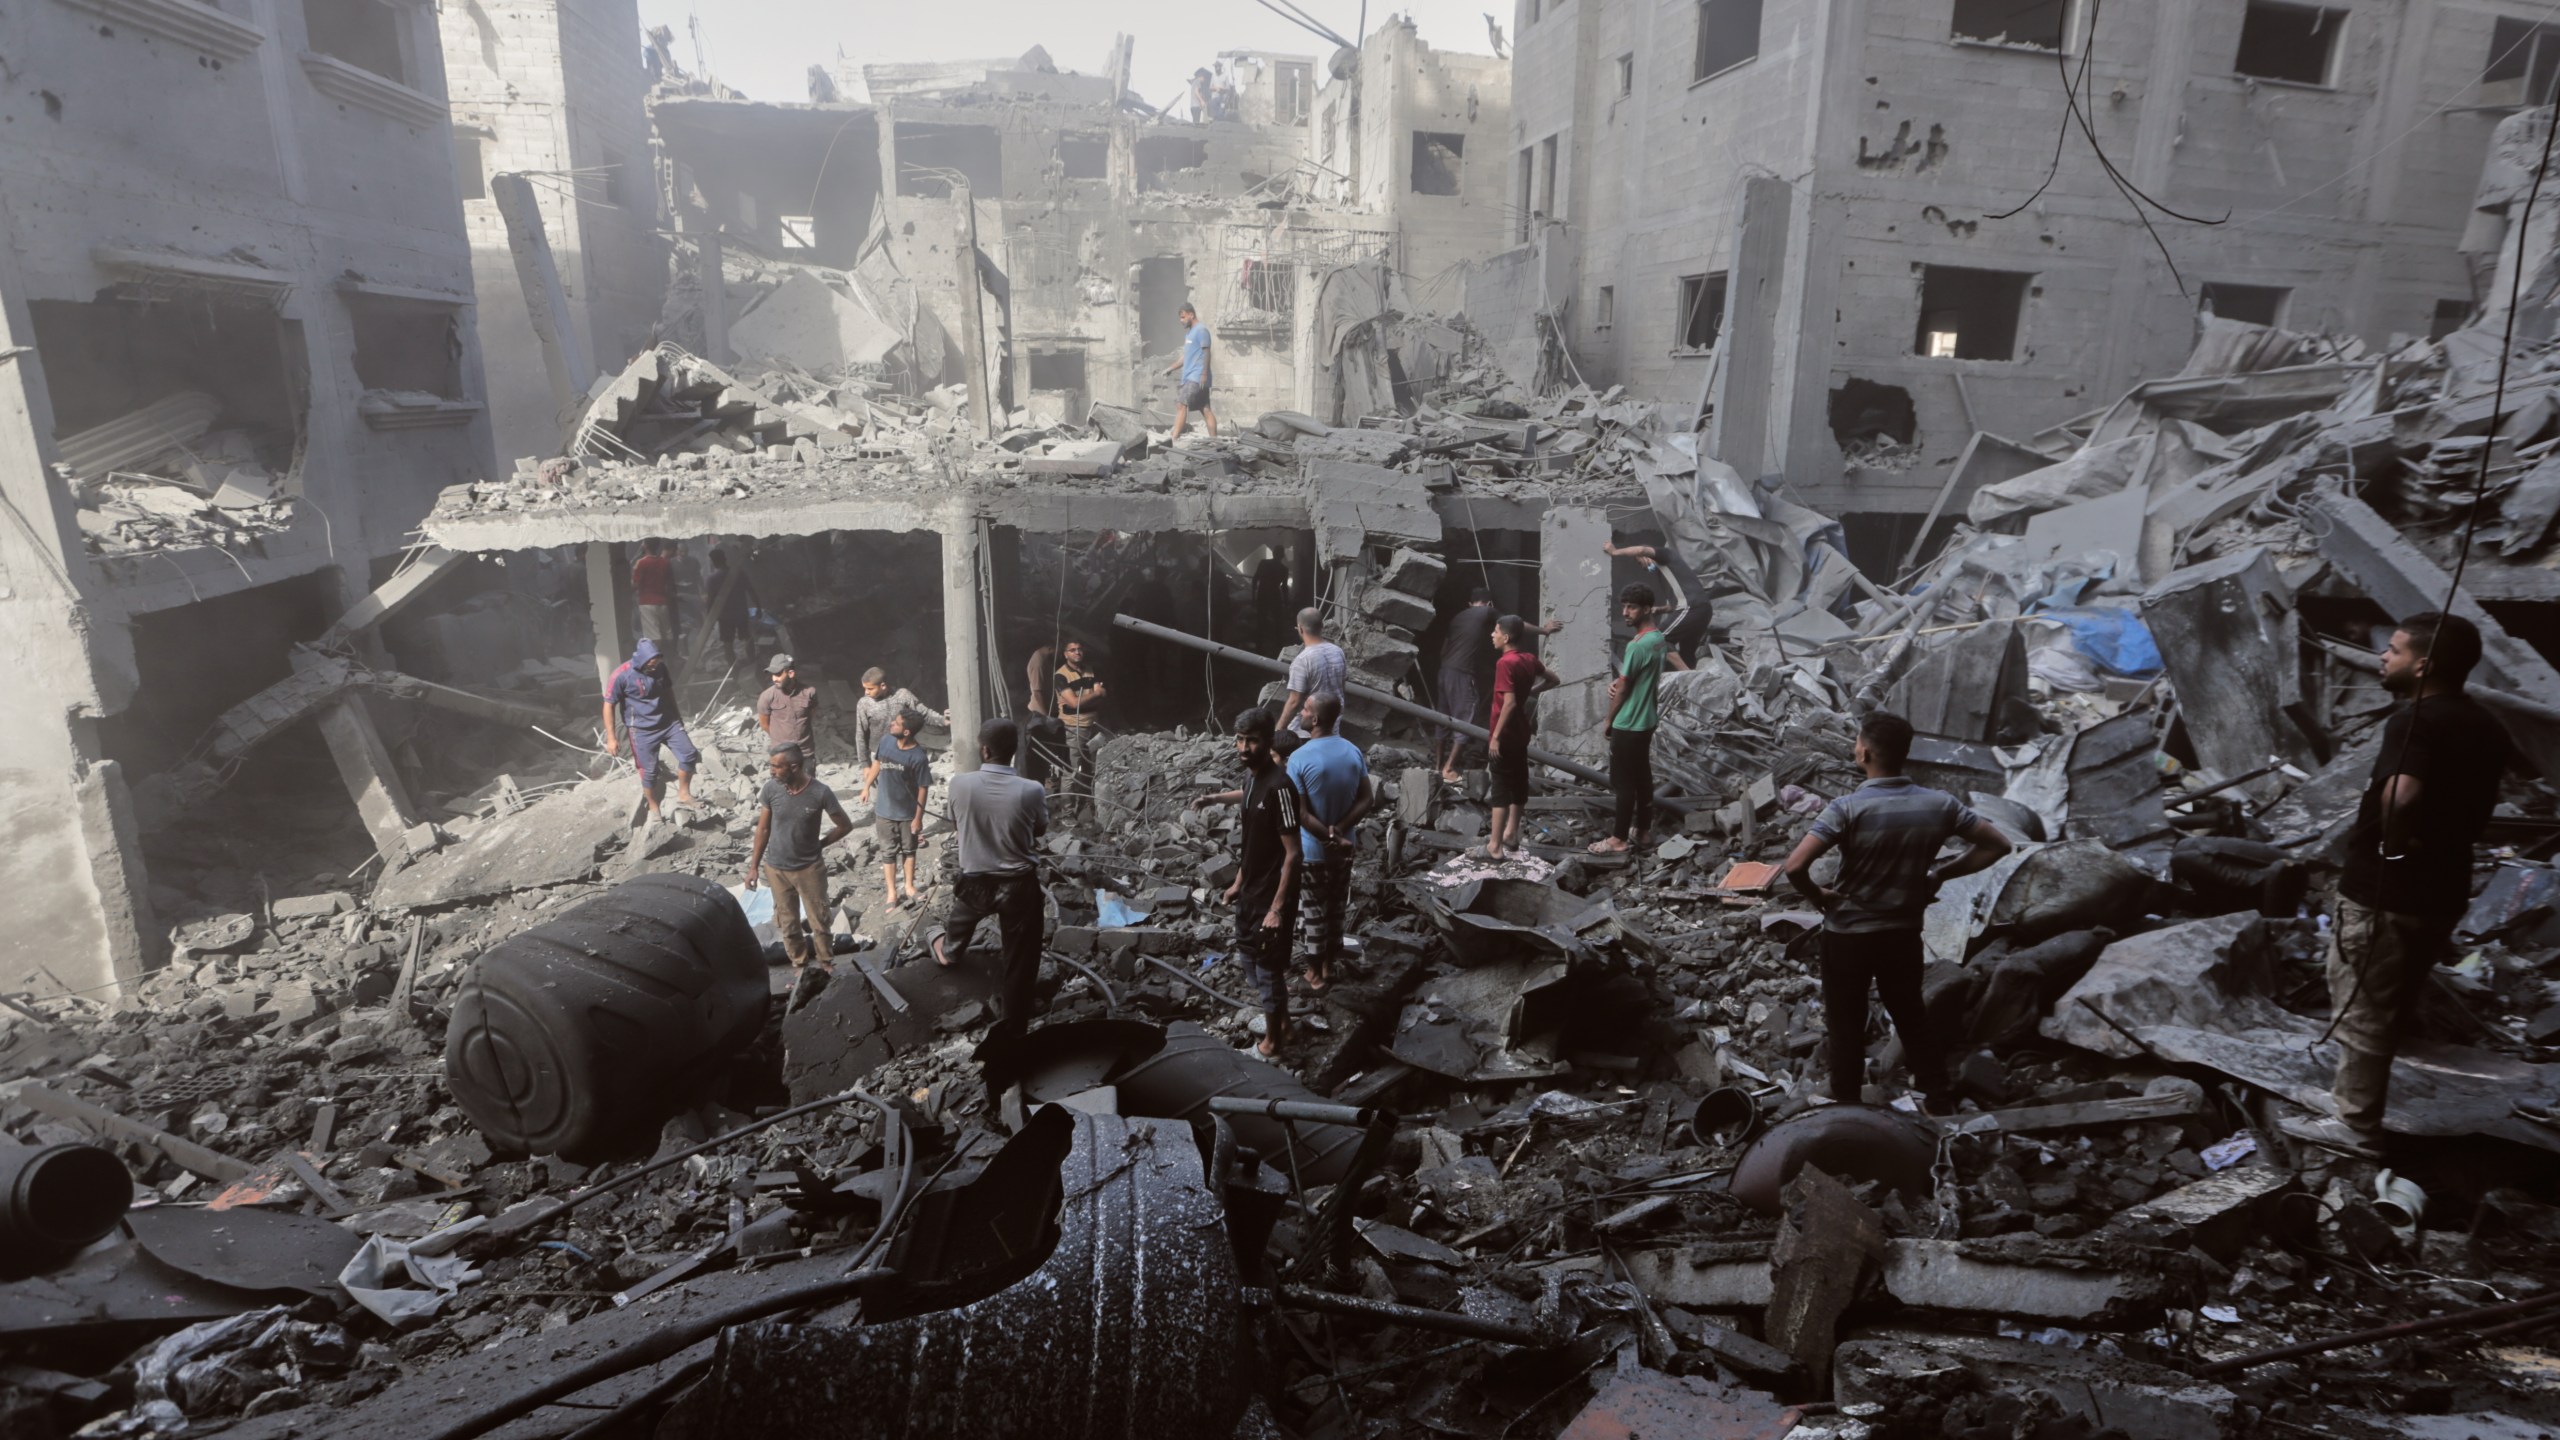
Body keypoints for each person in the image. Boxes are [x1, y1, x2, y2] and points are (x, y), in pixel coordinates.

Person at [2290, 613, 2508, 1153]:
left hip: (2389, 888)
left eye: (2393, 650)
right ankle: (2351, 1100)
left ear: (2423, 664)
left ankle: (2357, 1126)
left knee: (2364, 1001)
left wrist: (2393, 843)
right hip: (2444, 888)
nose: (2384, 658)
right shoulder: (2488, 724)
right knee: (2392, 997)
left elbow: (2402, 796)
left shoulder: (2415, 722)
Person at [1781, 711, 2012, 1110]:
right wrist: (1942, 873)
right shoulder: (1939, 804)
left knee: (1845, 1023)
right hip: (1901, 933)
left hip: (1848, 934)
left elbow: (1794, 867)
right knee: (1909, 1014)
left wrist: (1818, 896)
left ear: (1864, 753)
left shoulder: (1846, 808)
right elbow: (1998, 845)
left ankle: (1849, 1107)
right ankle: (1938, 1098)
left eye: (1857, 742)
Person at [931, 720, 1050, 1050]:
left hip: (975, 885)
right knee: (1020, 962)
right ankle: (1016, 1031)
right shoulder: (1032, 790)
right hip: (1018, 888)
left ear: (984, 750)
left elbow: (957, 823)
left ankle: (950, 950)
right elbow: (1039, 830)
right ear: (1015, 751)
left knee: (955, 932)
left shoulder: (960, 784)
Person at [1192, 707, 1302, 1057]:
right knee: (1251, 963)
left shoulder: (1281, 788)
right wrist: (1239, 880)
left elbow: (1293, 854)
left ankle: (1273, 1042)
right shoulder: (1252, 779)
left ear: (1267, 742)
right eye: (1239, 739)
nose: (1242, 747)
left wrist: (1277, 909)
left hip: (1270, 898)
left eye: (1251, 741)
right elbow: (1253, 842)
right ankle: (1282, 1022)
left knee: (1268, 971)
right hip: (1250, 892)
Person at [1285, 694, 1374, 996]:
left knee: (1313, 913)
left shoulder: (1299, 758)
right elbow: (1367, 799)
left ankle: (1313, 976)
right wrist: (1341, 833)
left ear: (1316, 720)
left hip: (1313, 852)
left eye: (1306, 708)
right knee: (1336, 908)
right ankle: (1328, 966)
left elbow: (1301, 813)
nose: (1301, 711)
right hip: (1345, 849)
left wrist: (1326, 837)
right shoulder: (1352, 751)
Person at [744, 745, 854, 973]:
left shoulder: (820, 793)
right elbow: (763, 830)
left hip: (809, 869)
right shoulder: (771, 789)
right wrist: (753, 867)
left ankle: (826, 963)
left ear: (794, 767)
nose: (771, 771)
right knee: (788, 922)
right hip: (776, 869)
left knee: (819, 920)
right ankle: (799, 964)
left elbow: (844, 825)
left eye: (776, 766)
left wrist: (821, 844)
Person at [1591, 583, 1672, 855]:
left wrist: (1608, 720)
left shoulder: (1637, 646)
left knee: (1623, 783)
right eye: (1623, 606)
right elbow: (1632, 679)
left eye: (1632, 607)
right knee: (1642, 778)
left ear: (1647, 609)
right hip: (1647, 719)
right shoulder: (1658, 639)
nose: (1625, 612)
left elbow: (1625, 687)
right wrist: (1620, 681)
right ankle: (1644, 831)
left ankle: (1618, 839)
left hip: (1628, 722)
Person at [1484, 614, 1559, 863]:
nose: (1492, 635)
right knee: (1518, 783)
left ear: (1506, 637)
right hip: (1521, 733)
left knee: (1500, 788)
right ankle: (1512, 834)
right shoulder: (1529, 659)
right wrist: (1530, 691)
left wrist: (1495, 737)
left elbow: (1510, 702)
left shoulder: (1505, 664)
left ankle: (1495, 845)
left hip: (1504, 735)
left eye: (1495, 631)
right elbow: (1554, 679)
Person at [602, 638, 698, 818]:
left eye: (656, 663)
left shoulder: (660, 668)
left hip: (668, 722)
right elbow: (608, 705)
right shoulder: (621, 675)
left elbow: (669, 691)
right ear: (641, 660)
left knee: (689, 754)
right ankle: (654, 808)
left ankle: (684, 794)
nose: (654, 668)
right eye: (650, 665)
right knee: (649, 772)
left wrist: (677, 717)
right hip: (642, 730)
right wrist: (611, 738)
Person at [862, 708, 934, 909]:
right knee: (888, 852)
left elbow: (923, 788)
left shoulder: (918, 757)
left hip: (906, 814)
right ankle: (892, 892)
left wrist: (918, 818)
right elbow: (877, 763)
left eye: (896, 723)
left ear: (906, 732)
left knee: (909, 850)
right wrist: (867, 786)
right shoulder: (886, 741)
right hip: (884, 811)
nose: (891, 724)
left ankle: (909, 887)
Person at [1604, 538, 1713, 667]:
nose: (1642, 567)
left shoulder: (1665, 555)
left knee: (1657, 639)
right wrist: (1660, 609)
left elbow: (1641, 549)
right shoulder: (1668, 572)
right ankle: (1692, 680)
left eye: (1639, 562)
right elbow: (1675, 605)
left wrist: (1615, 552)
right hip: (1702, 610)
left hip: (1691, 607)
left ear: (1645, 556)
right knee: (1687, 652)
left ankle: (1687, 674)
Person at [1436, 588, 1498, 782]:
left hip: (1444, 671)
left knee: (1442, 719)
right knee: (1464, 720)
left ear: (1469, 603)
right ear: (1488, 603)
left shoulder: (1457, 618)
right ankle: (1449, 768)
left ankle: (1437, 767)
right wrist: (1543, 630)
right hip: (1461, 674)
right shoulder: (1486, 612)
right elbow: (1514, 625)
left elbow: (1443, 650)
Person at [1275, 606, 1346, 749]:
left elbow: (1294, 702)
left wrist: (1278, 730)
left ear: (1300, 629)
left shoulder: (1302, 660)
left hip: (1306, 733)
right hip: (1332, 727)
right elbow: (1342, 687)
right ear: (1322, 626)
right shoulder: (1338, 652)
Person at [1052, 638, 1106, 822]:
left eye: (1080, 649)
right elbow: (1073, 703)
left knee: (1093, 768)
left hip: (1093, 726)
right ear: (1065, 654)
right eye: (1072, 650)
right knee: (1071, 770)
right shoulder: (1060, 676)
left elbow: (1102, 695)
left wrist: (1089, 696)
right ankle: (1067, 813)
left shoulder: (1090, 669)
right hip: (1072, 728)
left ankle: (1090, 804)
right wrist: (1095, 694)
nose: (1077, 652)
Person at [853, 668, 945, 768]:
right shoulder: (864, 704)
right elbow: (861, 735)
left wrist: (943, 720)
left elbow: (924, 713)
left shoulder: (902, 695)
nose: (866, 692)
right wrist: (865, 764)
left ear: (883, 686)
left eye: (870, 689)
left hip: (904, 753)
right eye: (864, 688)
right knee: (885, 783)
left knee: (907, 782)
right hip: (879, 757)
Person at [755, 652, 820, 769]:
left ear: (791, 673)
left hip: (805, 752)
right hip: (781, 754)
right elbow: (764, 724)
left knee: (809, 785)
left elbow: (811, 714)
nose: (774, 678)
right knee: (784, 786)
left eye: (778, 674)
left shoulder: (809, 692)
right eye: (772, 674)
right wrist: (780, 738)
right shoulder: (767, 697)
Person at [1165, 302, 1217, 441]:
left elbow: (1207, 353)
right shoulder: (1189, 334)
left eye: (1183, 317)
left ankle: (1173, 439)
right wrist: (1171, 368)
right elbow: (1186, 356)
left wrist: (1204, 374)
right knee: (1205, 408)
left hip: (1197, 377)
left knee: (1181, 404)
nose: (1181, 321)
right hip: (1192, 377)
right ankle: (1214, 441)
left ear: (1191, 315)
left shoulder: (1201, 330)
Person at [707, 547, 759, 667]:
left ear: (713, 562)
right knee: (747, 638)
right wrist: (758, 606)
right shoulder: (738, 573)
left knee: (727, 643)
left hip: (725, 616)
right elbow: (751, 591)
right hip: (741, 613)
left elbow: (710, 601)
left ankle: (734, 670)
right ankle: (752, 664)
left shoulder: (712, 579)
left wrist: (709, 619)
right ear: (725, 559)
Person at [631, 538, 676, 648]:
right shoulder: (665, 562)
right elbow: (668, 584)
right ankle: (670, 660)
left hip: (647, 603)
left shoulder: (641, 563)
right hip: (663, 602)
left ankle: (656, 663)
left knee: (654, 636)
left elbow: (635, 585)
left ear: (645, 546)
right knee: (667, 634)